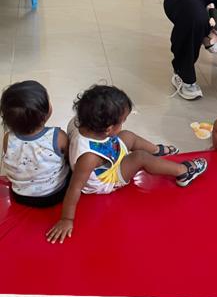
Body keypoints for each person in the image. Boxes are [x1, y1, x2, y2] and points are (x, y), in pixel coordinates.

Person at [45, 84, 206, 244]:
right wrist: (67, 219)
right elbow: (75, 188)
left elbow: (110, 139)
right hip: (106, 179)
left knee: (127, 135)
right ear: (108, 129)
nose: (122, 125)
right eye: (122, 122)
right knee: (140, 157)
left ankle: (156, 150)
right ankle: (183, 171)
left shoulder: (82, 122)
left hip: (108, 153)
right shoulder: (88, 158)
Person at [0, 79, 70, 206]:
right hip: (54, 195)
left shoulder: (7, 138)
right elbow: (69, 157)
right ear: (45, 113)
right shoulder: (58, 136)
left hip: (20, 196)